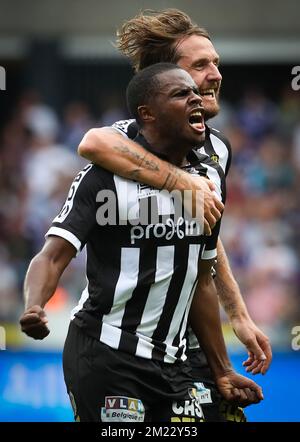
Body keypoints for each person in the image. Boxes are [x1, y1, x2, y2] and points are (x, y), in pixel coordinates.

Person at [20, 63, 263, 423]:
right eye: (181, 94)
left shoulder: (209, 178)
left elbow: (200, 279)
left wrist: (222, 369)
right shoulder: (103, 178)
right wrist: (35, 304)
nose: (196, 97)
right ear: (147, 114)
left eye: (194, 92)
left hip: (173, 366)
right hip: (107, 354)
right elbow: (52, 256)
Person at [78, 9, 272, 421]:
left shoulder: (218, 149)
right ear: (166, 81)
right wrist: (182, 182)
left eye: (216, 63)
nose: (216, 74)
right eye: (200, 65)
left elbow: (204, 235)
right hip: (119, 345)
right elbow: (92, 142)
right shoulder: (129, 136)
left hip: (190, 342)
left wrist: (237, 313)